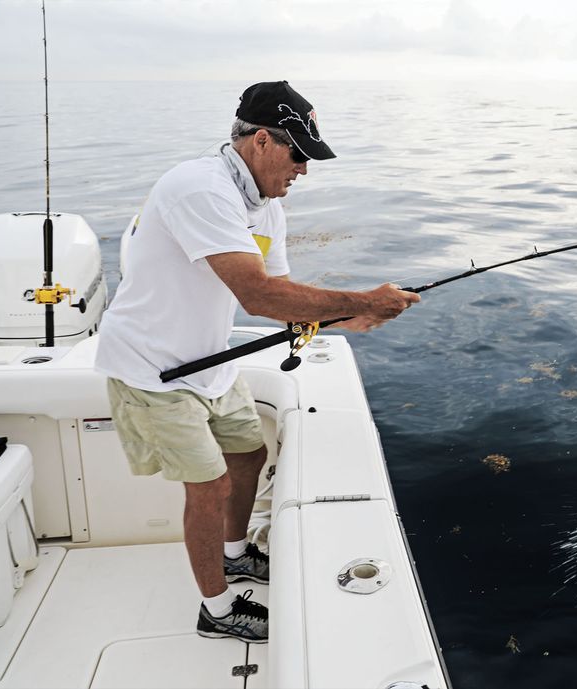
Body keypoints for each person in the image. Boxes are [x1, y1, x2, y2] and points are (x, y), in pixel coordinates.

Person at [94, 81, 419, 643]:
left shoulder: (265, 207)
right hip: (154, 371)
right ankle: (216, 611)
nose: (304, 171)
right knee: (211, 485)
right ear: (263, 140)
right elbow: (258, 296)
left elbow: (282, 290)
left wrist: (352, 319)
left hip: (209, 362)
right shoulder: (199, 188)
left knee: (249, 452)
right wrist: (361, 300)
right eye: (299, 155)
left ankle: (236, 554)